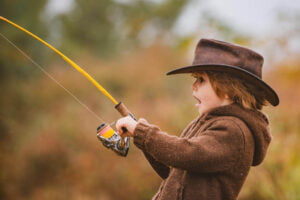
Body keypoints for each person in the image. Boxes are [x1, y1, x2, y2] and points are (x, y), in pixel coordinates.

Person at [116, 39, 279, 200]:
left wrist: (143, 132)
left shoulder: (234, 131)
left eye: (201, 80)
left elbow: (187, 153)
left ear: (228, 89)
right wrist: (140, 135)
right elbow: (172, 169)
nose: (194, 85)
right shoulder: (205, 123)